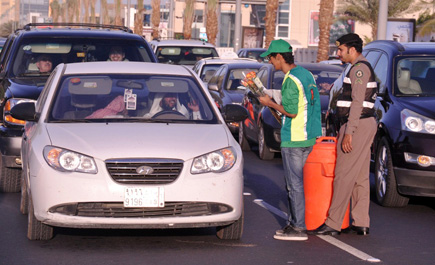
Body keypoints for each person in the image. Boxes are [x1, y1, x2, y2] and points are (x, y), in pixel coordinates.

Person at [309, 33, 377, 236]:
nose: (338, 53)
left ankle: (333, 223)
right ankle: (361, 221)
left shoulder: (359, 69)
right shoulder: (358, 68)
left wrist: (350, 132)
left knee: (343, 175)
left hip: (357, 125)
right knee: (360, 177)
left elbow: (357, 102)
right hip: (364, 123)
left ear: (352, 49)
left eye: (341, 49)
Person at [258, 39, 322, 241]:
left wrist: (269, 103)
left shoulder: (290, 80)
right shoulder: (306, 74)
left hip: (293, 138)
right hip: (307, 136)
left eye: (270, 57)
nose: (270, 62)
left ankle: (298, 227)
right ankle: (295, 222)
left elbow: (292, 112)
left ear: (279, 57)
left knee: (294, 184)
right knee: (297, 183)